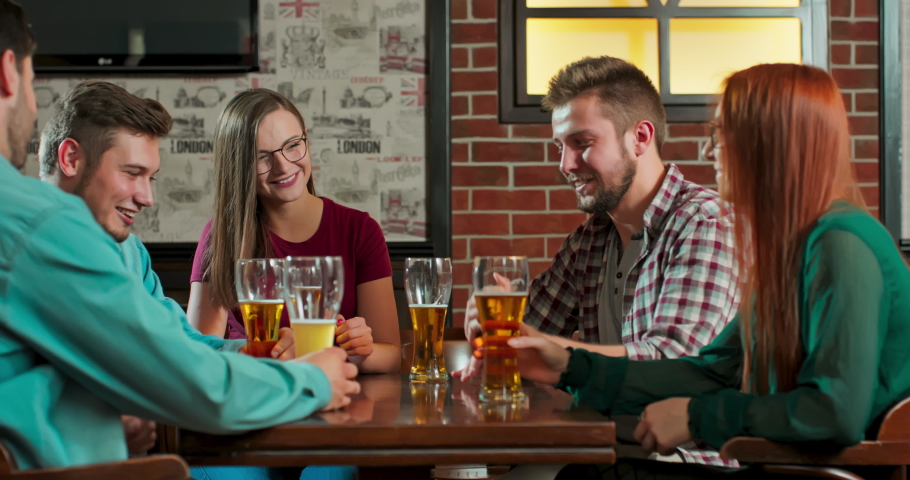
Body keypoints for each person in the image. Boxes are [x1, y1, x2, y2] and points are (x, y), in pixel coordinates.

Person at [505, 63, 910, 479]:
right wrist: (569, 368)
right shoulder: (791, 251)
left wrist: (699, 416)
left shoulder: (841, 243)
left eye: (719, 134)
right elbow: (711, 370)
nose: (707, 151)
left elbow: (834, 412)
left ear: (769, 142)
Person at [0, 0, 358, 471]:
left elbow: (174, 344)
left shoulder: (122, 249)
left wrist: (253, 352)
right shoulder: (41, 226)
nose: (147, 198)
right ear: (9, 72)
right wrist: (312, 381)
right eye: (31, 81)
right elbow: (192, 384)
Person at [460, 55, 739, 466]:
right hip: (596, 451)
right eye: (560, 146)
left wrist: (544, 348)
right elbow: (532, 338)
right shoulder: (589, 239)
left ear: (640, 137)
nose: (565, 165)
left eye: (582, 143)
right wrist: (489, 327)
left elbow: (675, 362)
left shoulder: (704, 223)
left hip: (680, 461)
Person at [187, 89, 400, 375]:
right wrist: (276, 354)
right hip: (256, 399)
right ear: (239, 167)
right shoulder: (221, 235)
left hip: (339, 401)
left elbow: (391, 353)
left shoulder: (360, 230)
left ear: (306, 138)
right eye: (262, 157)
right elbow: (199, 354)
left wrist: (358, 351)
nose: (284, 166)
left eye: (292, 145)